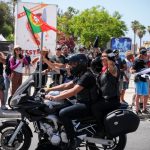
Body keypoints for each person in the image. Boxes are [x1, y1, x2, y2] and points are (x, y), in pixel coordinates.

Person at [44, 53, 99, 150]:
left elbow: (74, 91)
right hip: (80, 102)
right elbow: (67, 85)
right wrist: (49, 89)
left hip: (86, 104)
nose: (72, 66)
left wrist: (55, 97)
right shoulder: (81, 74)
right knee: (57, 108)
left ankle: (72, 140)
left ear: (81, 64)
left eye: (74, 64)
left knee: (63, 113)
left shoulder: (87, 75)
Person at [92, 50, 120, 137]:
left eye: (105, 56)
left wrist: (110, 57)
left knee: (95, 107)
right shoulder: (103, 70)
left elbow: (111, 64)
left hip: (111, 100)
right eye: (102, 56)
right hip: (104, 98)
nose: (102, 58)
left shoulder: (112, 69)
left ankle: (101, 129)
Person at [130, 47, 149, 114]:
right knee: (138, 95)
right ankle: (137, 110)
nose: (146, 56)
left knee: (146, 95)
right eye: (145, 55)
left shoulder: (145, 60)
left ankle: (144, 109)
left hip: (145, 79)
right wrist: (134, 72)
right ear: (141, 54)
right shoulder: (136, 60)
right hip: (138, 79)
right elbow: (131, 69)